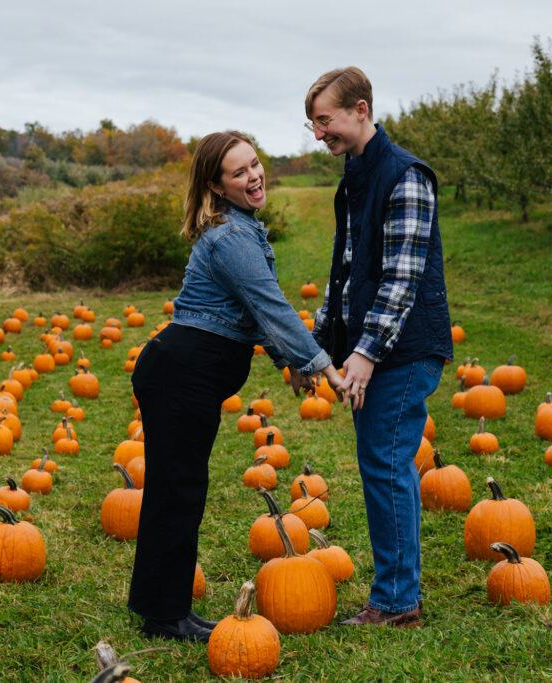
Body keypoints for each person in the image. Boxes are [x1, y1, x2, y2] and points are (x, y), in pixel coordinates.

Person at [127, 130, 344, 642]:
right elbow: (269, 306)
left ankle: (166, 607)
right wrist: (320, 364)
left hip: (185, 376)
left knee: (177, 490)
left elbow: (248, 313)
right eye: (239, 171)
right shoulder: (231, 238)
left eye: (255, 164)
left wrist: (287, 364)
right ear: (217, 186)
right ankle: (165, 616)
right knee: (177, 491)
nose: (254, 176)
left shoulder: (240, 229)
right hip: (180, 375)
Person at [305, 67, 454, 627]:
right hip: (378, 347)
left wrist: (363, 354)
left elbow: (401, 279)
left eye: (326, 120)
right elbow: (345, 269)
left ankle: (396, 601)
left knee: (386, 463)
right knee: (385, 465)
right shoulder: (356, 175)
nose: (319, 134)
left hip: (404, 350)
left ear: (360, 110)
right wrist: (319, 340)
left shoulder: (405, 176)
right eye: (312, 124)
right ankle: (398, 593)